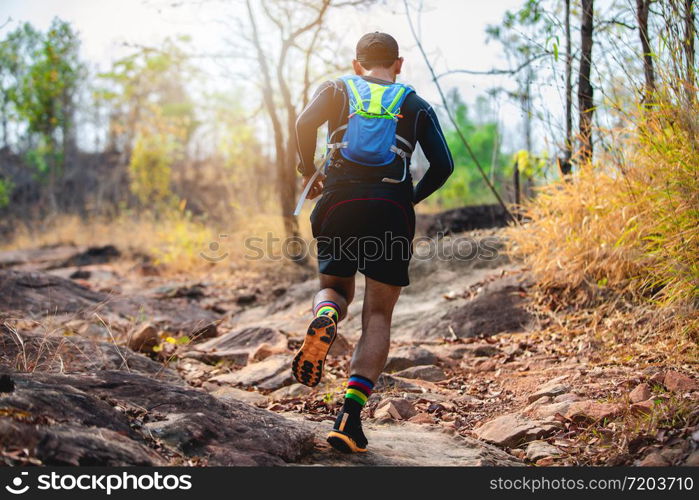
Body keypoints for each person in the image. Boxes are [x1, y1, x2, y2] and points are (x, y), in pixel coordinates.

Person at [291, 32, 453, 453]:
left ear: (357, 63)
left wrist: (306, 168)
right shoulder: (415, 104)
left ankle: (326, 313)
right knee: (378, 314)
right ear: (398, 64)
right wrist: (409, 197)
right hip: (391, 211)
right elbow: (444, 165)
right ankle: (349, 417)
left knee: (334, 288)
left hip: (337, 202)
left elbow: (304, 123)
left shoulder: (336, 89)